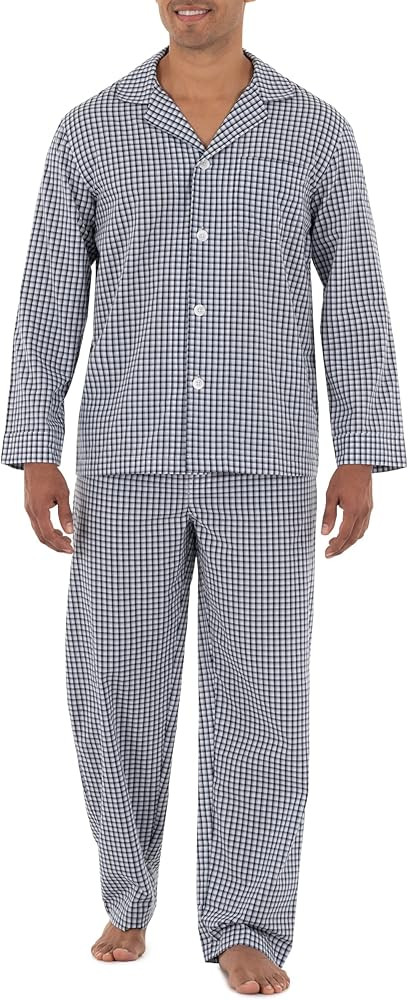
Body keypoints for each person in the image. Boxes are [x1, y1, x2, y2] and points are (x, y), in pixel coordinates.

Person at [2, 0, 406, 993]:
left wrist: (361, 451)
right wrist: (36, 449)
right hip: (124, 458)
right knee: (115, 689)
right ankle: (127, 895)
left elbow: (355, 293)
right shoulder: (91, 129)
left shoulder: (315, 130)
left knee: (262, 697)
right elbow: (49, 295)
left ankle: (247, 920)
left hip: (265, 459)